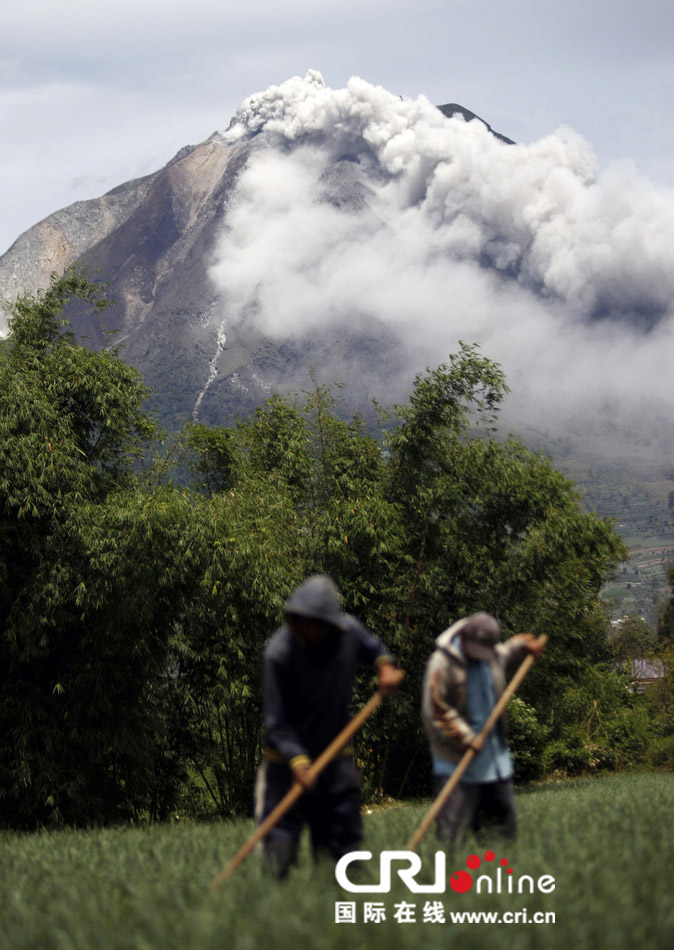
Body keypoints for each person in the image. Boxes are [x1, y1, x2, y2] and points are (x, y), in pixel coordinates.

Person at [255, 574, 403, 877]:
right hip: (286, 767)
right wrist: (298, 761)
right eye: (303, 621)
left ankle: (345, 907)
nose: (309, 628)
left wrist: (385, 667)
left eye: (317, 622)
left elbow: (374, 649)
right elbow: (276, 722)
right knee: (279, 849)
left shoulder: (347, 632)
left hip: (335, 759)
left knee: (343, 843)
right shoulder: (278, 654)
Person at [421, 612, 545, 845]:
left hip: (493, 759)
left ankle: (498, 873)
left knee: (501, 832)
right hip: (456, 760)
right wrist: (465, 736)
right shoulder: (442, 663)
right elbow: (435, 709)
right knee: (452, 834)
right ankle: (445, 873)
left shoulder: (492, 656)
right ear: (464, 637)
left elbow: (508, 651)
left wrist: (526, 646)